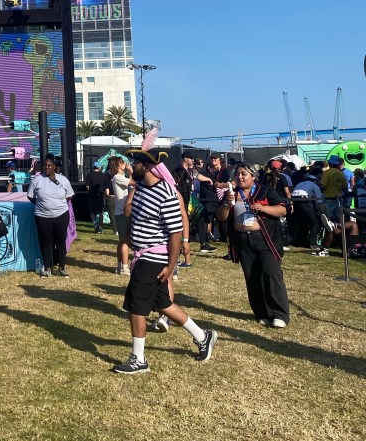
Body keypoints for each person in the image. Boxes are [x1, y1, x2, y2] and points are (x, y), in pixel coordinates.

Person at [113, 150, 217, 375]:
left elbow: (175, 233)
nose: (132, 167)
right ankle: (203, 336)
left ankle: (138, 359)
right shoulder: (140, 188)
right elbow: (133, 215)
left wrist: (171, 266)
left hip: (153, 258)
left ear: (148, 166)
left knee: (136, 306)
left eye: (136, 163)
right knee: (163, 303)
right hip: (142, 255)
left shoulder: (167, 194)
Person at [217, 163, 290, 327]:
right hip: (243, 241)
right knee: (252, 277)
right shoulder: (231, 194)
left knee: (271, 274)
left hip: (265, 239)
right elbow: (221, 217)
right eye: (238, 174)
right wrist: (226, 205)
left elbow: (282, 210)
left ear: (253, 176)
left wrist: (263, 208)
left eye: (244, 174)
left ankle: (279, 314)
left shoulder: (266, 191)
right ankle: (262, 313)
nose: (240, 177)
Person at [27, 154, 75, 278]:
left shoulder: (63, 179)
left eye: (49, 166)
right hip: (42, 216)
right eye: (45, 166)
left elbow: (69, 195)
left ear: (54, 167)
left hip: (61, 215)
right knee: (46, 242)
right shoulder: (37, 180)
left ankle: (61, 268)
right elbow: (30, 196)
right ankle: (47, 268)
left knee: (60, 241)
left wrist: (59, 204)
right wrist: (42, 205)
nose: (46, 168)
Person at [109, 157, 132, 275]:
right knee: (125, 241)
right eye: (122, 163)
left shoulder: (119, 178)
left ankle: (119, 265)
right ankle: (124, 267)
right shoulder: (118, 177)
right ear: (117, 166)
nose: (125, 164)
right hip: (123, 212)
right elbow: (134, 183)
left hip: (120, 212)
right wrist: (131, 170)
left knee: (122, 241)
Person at [85, 162, 110, 234]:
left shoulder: (89, 175)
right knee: (100, 212)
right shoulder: (104, 176)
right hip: (101, 196)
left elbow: (87, 186)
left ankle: (95, 223)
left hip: (92, 196)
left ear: (93, 167)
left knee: (92, 212)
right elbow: (106, 187)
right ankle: (101, 227)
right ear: (100, 167)